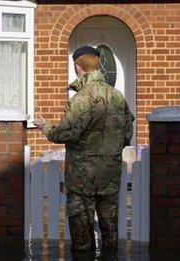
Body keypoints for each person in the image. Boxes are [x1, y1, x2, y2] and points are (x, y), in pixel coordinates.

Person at [34, 46, 135, 256]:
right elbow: (127, 134)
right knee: (110, 236)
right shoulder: (117, 97)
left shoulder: (82, 98)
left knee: (82, 242)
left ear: (78, 67)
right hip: (110, 176)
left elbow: (63, 134)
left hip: (82, 180)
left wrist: (44, 126)